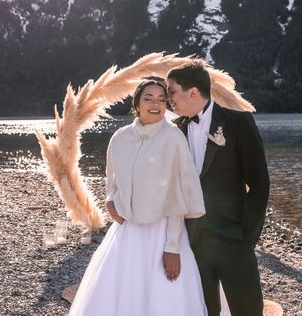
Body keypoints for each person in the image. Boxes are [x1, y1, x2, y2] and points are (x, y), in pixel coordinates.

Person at [68, 76, 208, 316]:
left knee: (163, 299)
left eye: (162, 99)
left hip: (163, 233)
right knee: (121, 295)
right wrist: (110, 202)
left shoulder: (174, 138)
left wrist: (172, 247)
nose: (155, 104)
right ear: (136, 103)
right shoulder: (120, 138)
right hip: (127, 233)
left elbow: (179, 195)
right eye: (148, 98)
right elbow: (112, 181)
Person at [167, 62, 270, 316]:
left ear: (192, 92)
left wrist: (248, 236)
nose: (168, 99)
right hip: (193, 242)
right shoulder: (174, 131)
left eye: (172, 92)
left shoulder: (238, 123)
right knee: (203, 311)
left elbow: (259, 183)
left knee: (247, 310)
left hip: (234, 238)